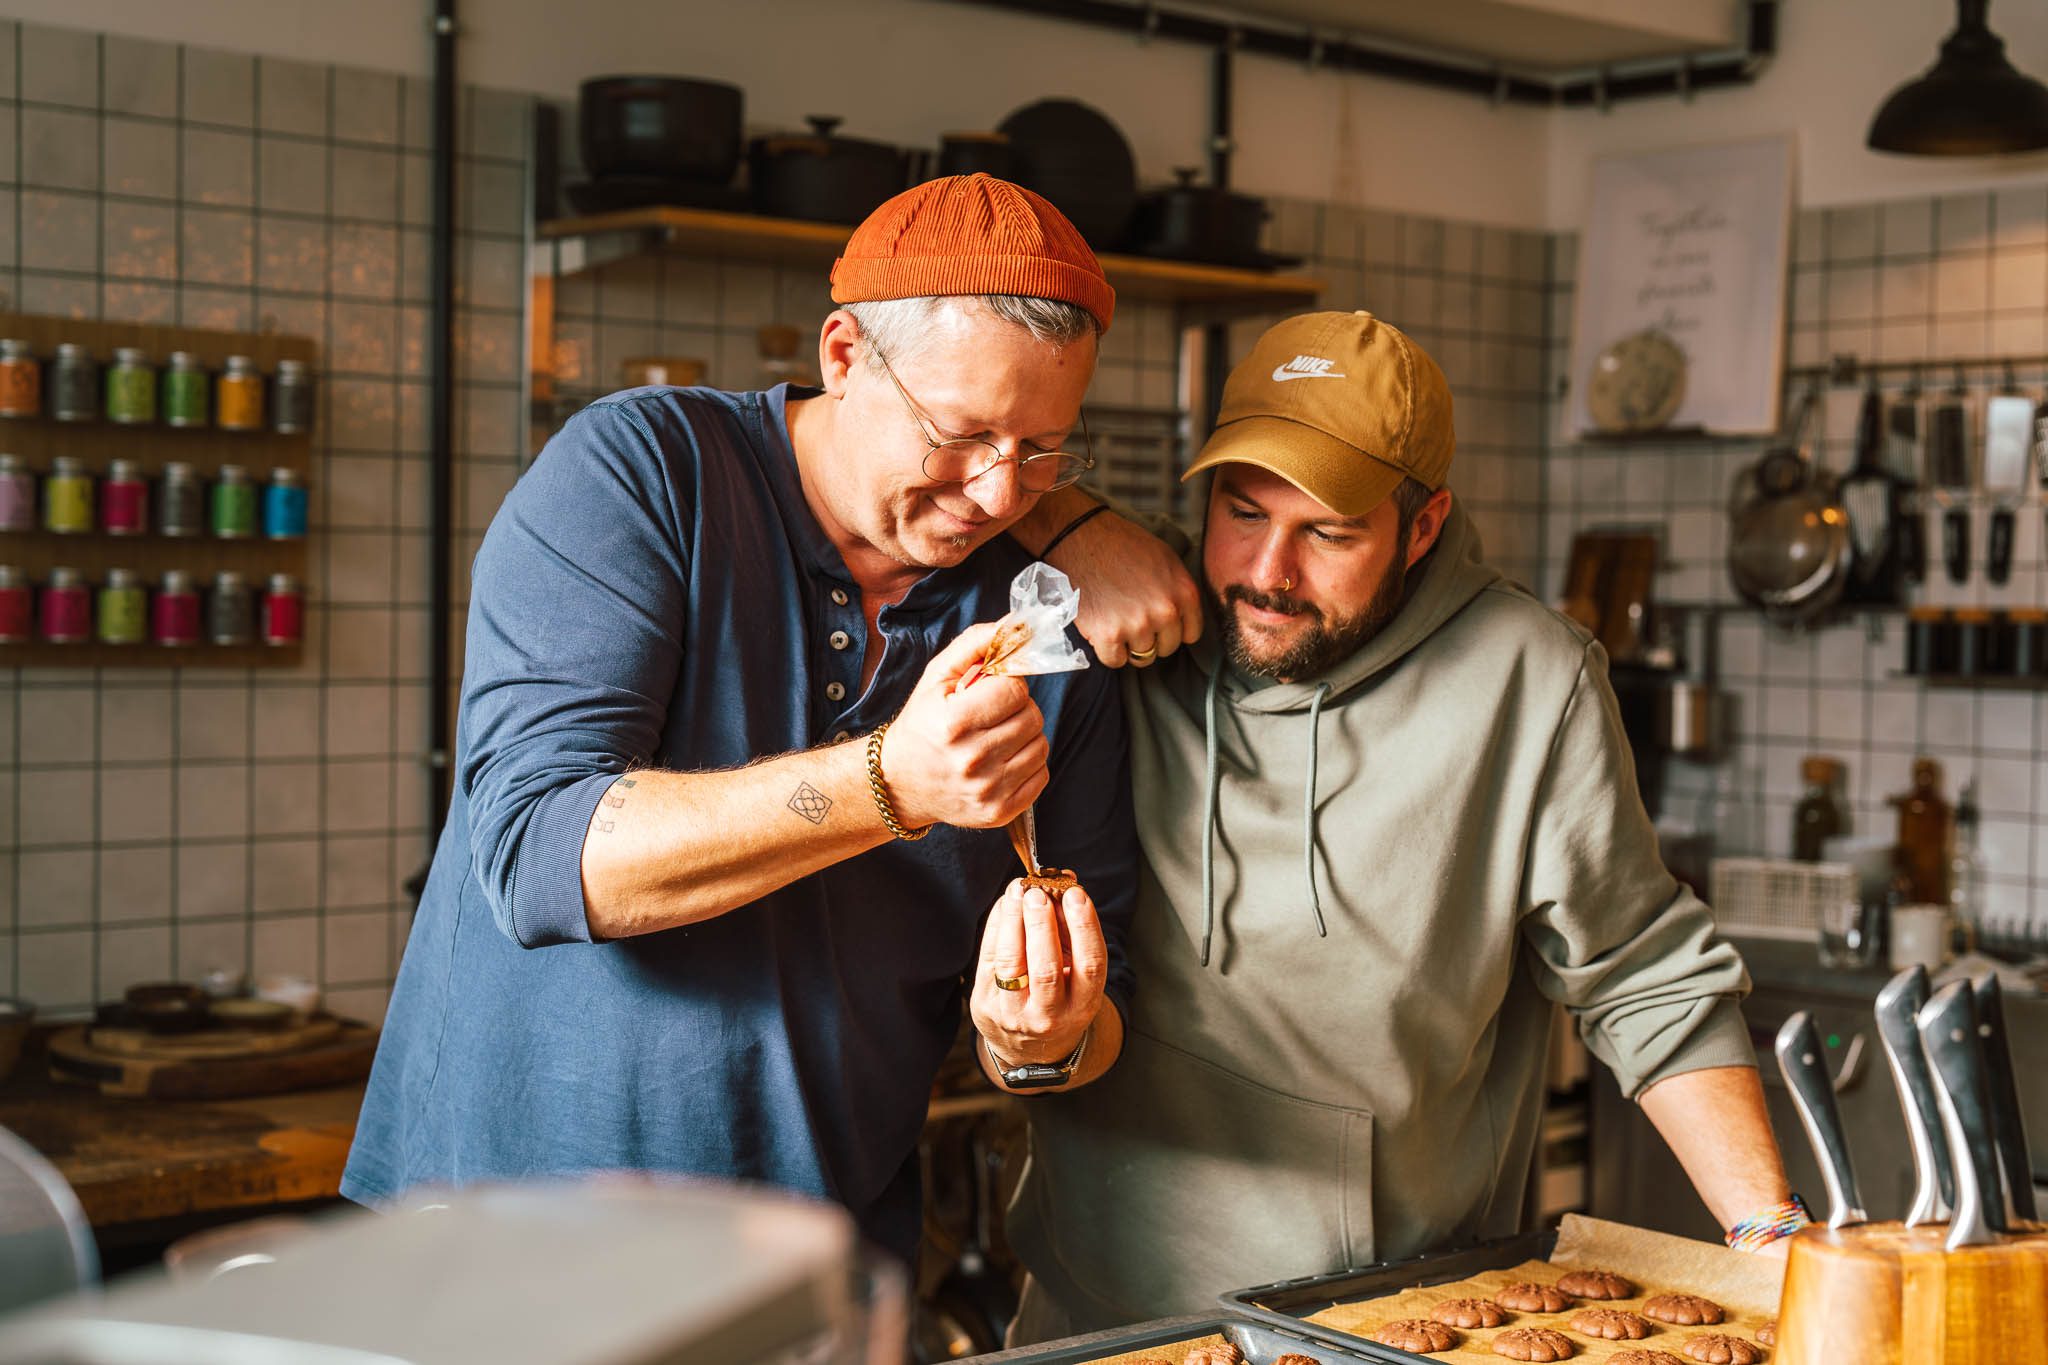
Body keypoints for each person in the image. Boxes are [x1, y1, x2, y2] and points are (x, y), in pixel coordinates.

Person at [341, 175, 1136, 1267]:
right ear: (844, 355)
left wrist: (1035, 1038)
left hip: (814, 1278)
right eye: (960, 434)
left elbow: (1091, 1024)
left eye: (1044, 451)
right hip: (502, 1255)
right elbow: (538, 859)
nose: (999, 494)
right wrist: (888, 784)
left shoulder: (1039, 618)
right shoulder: (645, 474)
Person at [1005, 310, 1797, 1335]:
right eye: (1241, 514)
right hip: (1095, 1319)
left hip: (1386, 1323)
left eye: (1326, 534)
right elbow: (915, 454)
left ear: (1420, 528)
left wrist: (1770, 1238)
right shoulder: (1132, 612)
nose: (1266, 574)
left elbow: (1645, 978)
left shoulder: (1527, 678)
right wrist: (1069, 521)